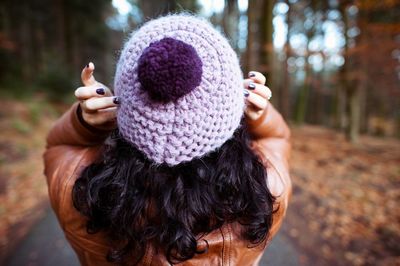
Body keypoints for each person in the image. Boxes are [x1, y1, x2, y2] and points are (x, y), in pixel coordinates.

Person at [44, 14, 291, 265]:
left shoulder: (78, 190)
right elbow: (278, 138)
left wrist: (85, 123)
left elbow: (58, 145)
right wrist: (258, 116)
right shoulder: (267, 192)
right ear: (233, 106)